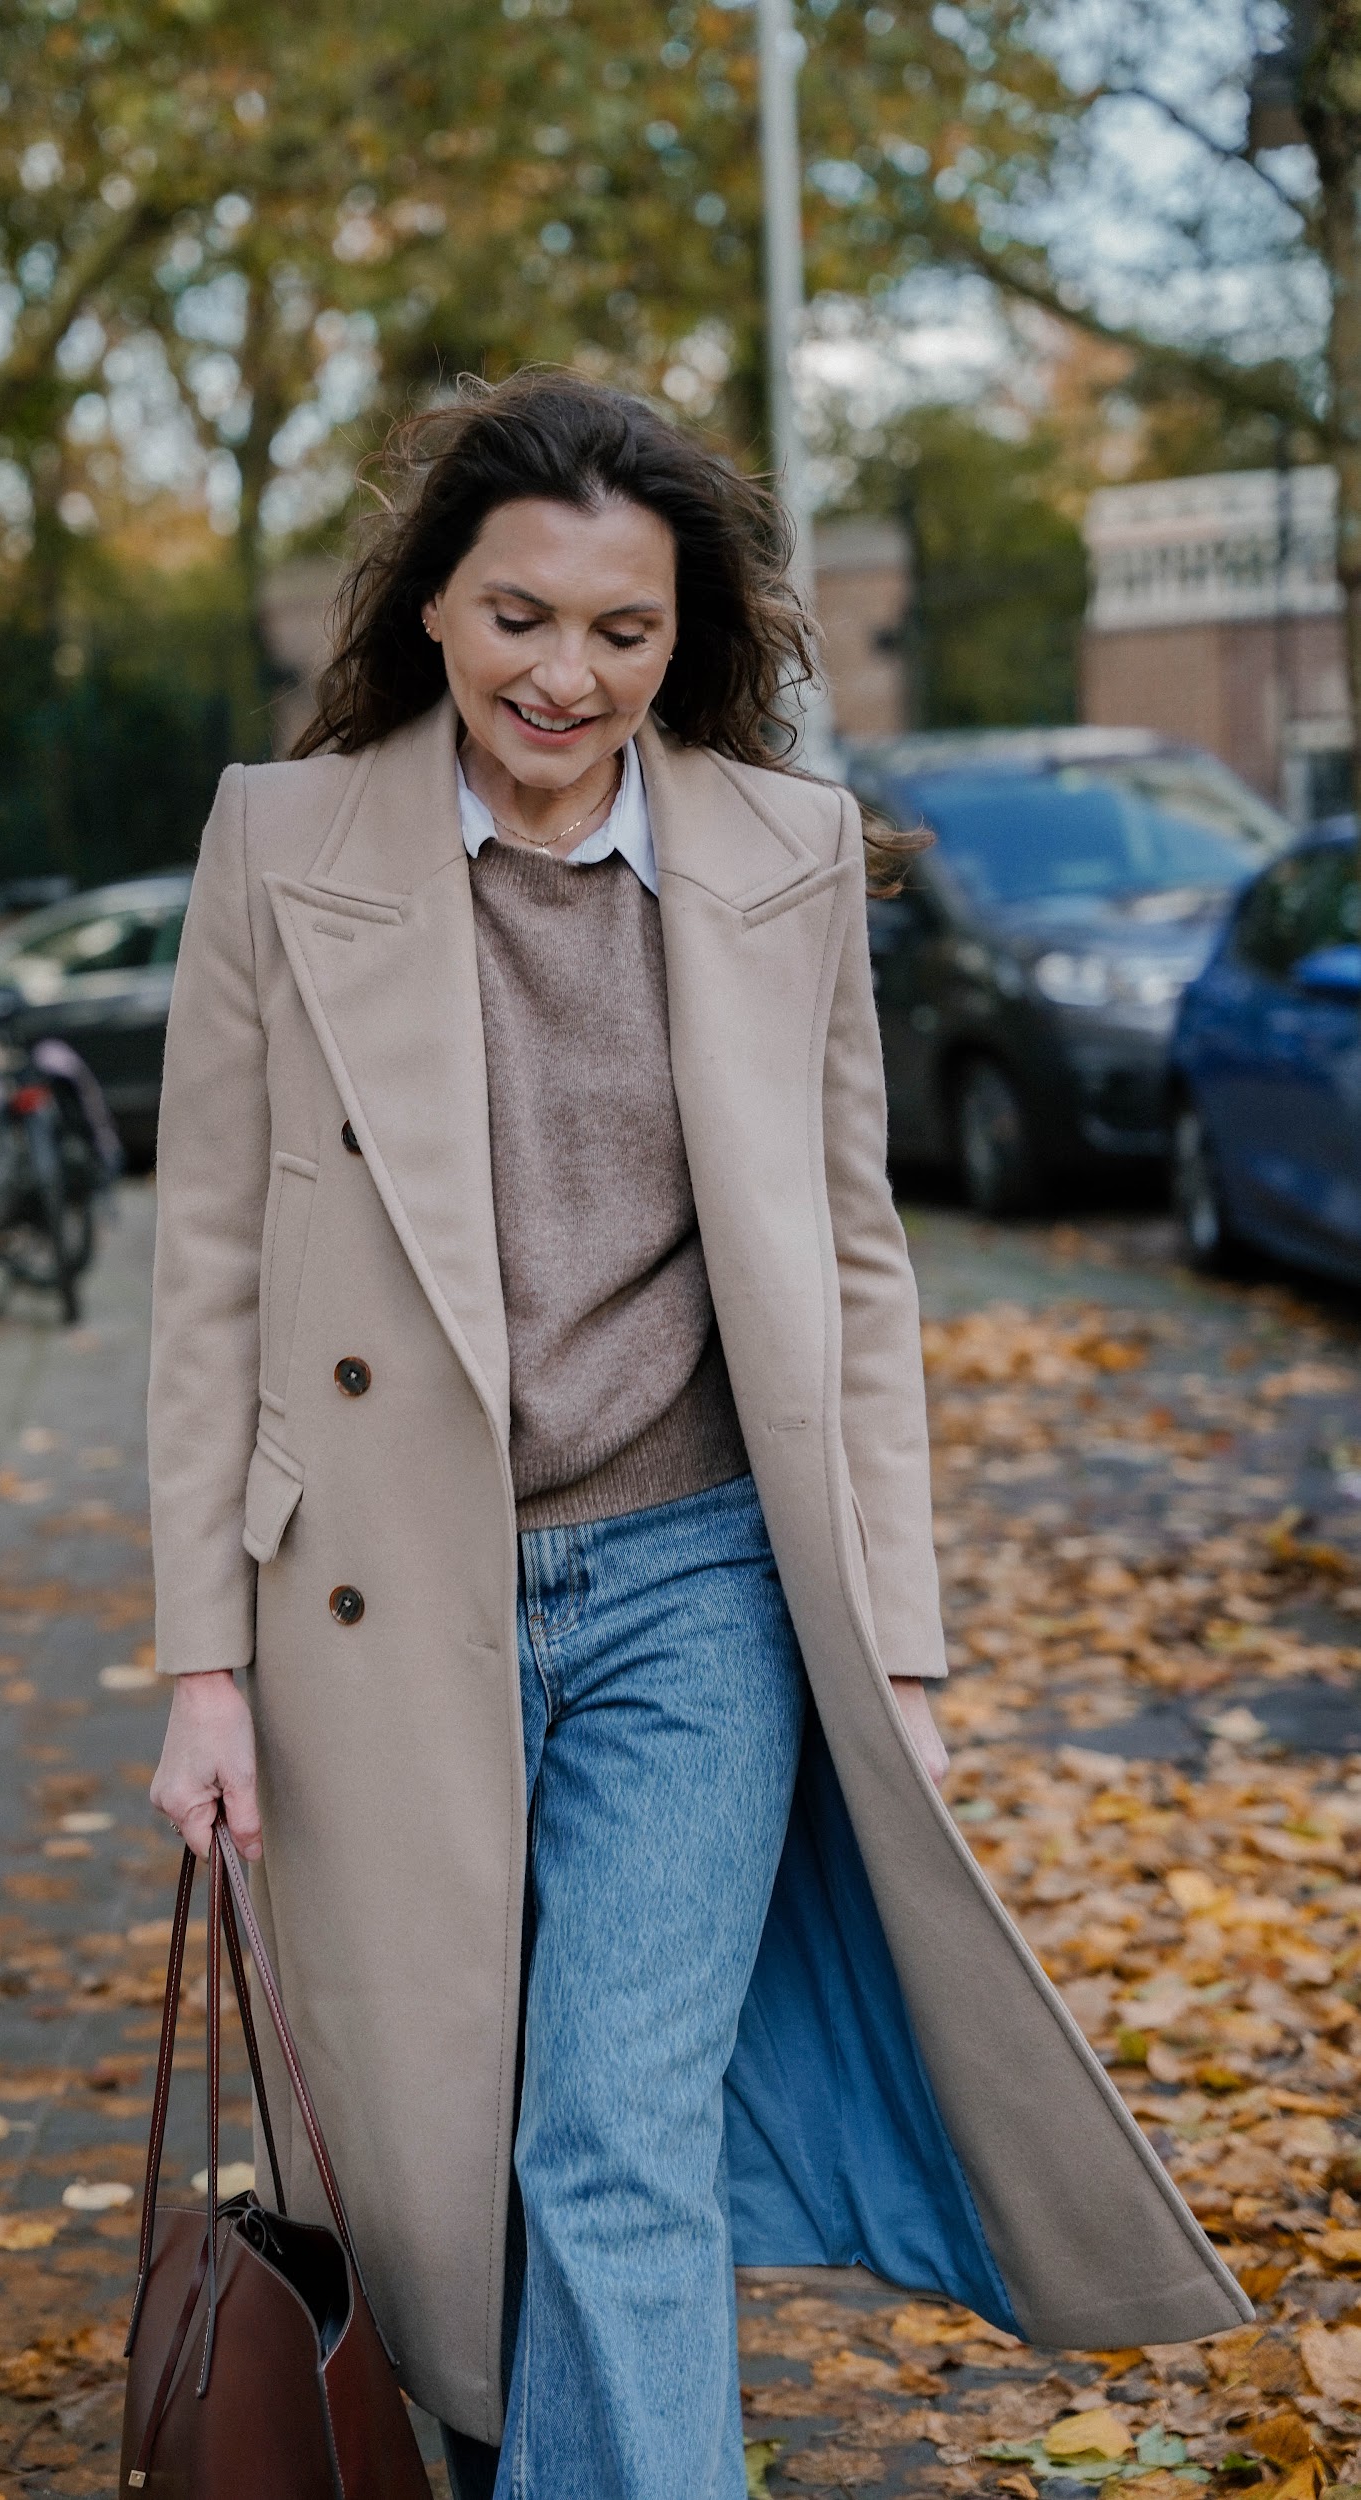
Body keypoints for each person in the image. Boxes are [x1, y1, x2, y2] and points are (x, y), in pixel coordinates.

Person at [146, 373, 1247, 2500]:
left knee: (615, 2128)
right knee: (443, 2147)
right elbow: (206, 1274)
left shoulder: (782, 855)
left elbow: (855, 1269)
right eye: (519, 616)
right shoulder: (282, 844)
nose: (564, 675)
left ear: (686, 638)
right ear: (435, 606)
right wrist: (205, 1658)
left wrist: (899, 1651)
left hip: (698, 1580)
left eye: (622, 630)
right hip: (387, 1589)